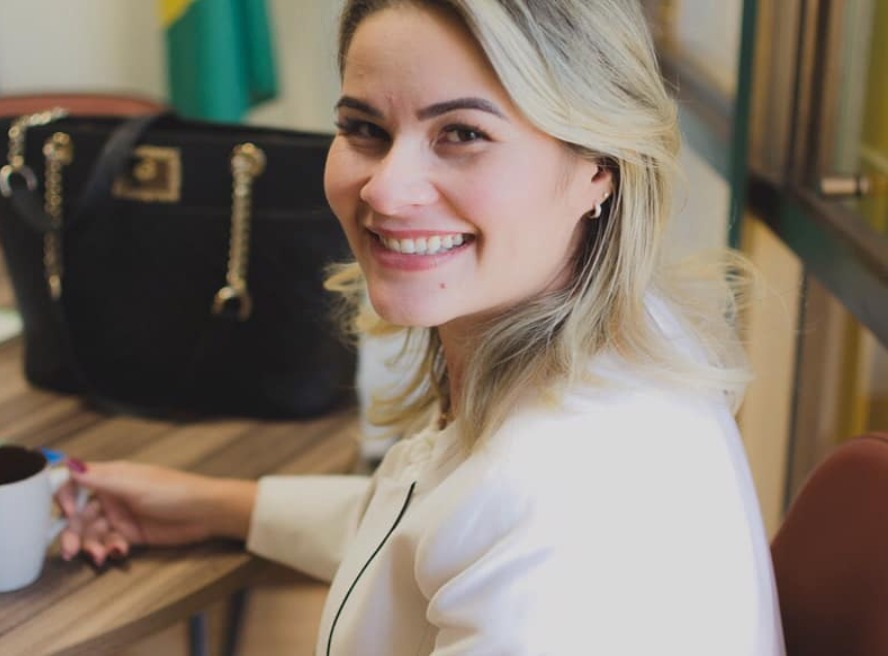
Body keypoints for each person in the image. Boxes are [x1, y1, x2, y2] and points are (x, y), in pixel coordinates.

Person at [58, 1, 785, 653]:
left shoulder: (557, 497)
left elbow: (497, 523)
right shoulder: (617, 338)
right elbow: (439, 526)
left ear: (598, 167)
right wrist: (219, 508)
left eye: (462, 133)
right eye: (364, 129)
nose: (386, 188)